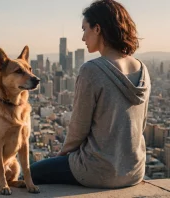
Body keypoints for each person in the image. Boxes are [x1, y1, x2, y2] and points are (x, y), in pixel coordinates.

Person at [30, 0, 151, 188]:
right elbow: (140, 124)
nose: (83, 37)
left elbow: (79, 127)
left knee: (32, 173)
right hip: (134, 171)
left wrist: (63, 155)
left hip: (98, 171)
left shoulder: (92, 70)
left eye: (84, 29)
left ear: (97, 29)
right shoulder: (143, 70)